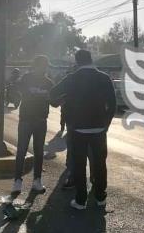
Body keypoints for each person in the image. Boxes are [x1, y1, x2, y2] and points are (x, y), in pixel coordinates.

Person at [50, 49, 116, 210]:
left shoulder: (72, 78)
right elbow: (112, 105)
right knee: (100, 164)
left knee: (79, 165)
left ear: (77, 61)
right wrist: (105, 125)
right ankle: (100, 197)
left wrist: (62, 100)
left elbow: (52, 95)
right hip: (99, 130)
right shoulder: (104, 78)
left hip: (77, 129)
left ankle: (81, 200)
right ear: (91, 59)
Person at [12, 55, 54, 194]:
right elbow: (21, 91)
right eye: (40, 65)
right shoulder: (26, 78)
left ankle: (37, 181)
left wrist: (62, 98)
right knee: (22, 150)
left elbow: (54, 101)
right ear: (35, 66)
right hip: (26, 120)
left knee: (39, 151)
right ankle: (17, 181)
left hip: (41, 121)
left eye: (45, 66)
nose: (43, 68)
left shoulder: (49, 83)